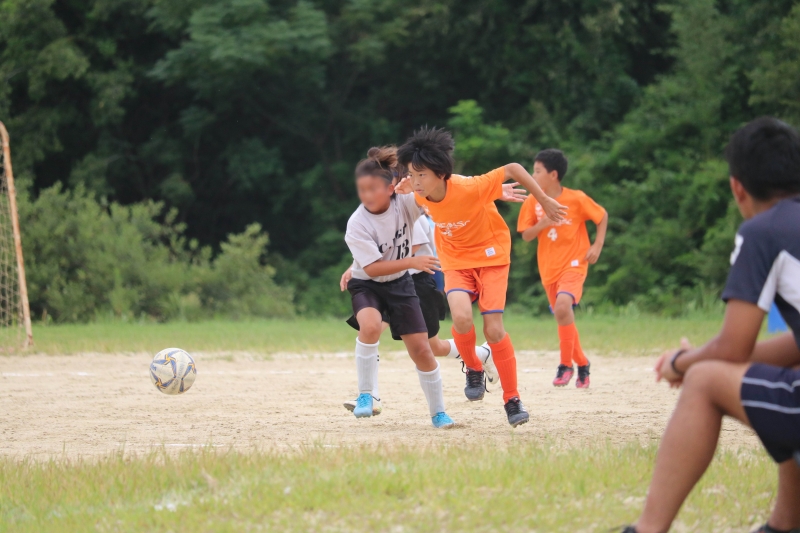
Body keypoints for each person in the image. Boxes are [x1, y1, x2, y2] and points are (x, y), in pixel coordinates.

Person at [623, 117, 800, 533]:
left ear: (738, 188)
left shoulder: (764, 231)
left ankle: (647, 529)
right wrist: (706, 355)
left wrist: (683, 362)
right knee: (786, 373)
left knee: (704, 381)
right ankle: (784, 525)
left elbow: (733, 348)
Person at [396, 126, 568, 427]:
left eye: (421, 174)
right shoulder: (417, 193)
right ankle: (474, 367)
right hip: (455, 260)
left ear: (441, 173)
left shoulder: (469, 187)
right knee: (461, 318)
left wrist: (541, 199)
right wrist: (404, 185)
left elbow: (513, 168)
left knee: (494, 330)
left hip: (491, 256)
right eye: (412, 174)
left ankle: (512, 399)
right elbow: (399, 193)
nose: (416, 181)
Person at [339, 175, 530, 414]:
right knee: (371, 328)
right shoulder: (379, 212)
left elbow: (412, 246)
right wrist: (358, 265)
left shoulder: (408, 205)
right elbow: (379, 250)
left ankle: (481, 354)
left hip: (414, 283)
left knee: (432, 347)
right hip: (388, 282)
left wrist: (490, 190)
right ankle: (370, 395)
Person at [343, 146, 455, 429]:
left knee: (422, 350)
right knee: (370, 326)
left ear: (390, 188)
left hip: (401, 285)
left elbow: (435, 195)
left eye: (373, 189)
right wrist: (412, 262)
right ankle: (366, 395)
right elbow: (372, 269)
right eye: (362, 190)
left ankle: (439, 413)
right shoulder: (357, 223)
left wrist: (415, 188)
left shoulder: (404, 202)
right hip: (367, 285)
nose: (366, 195)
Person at [516, 149, 607, 388]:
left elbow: (601, 216)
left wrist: (597, 245)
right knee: (562, 315)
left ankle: (565, 365)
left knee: (563, 307)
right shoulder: (533, 201)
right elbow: (526, 235)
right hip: (549, 269)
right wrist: (543, 223)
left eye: (537, 171)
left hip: (575, 264)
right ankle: (583, 363)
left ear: (553, 175)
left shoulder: (576, 198)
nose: (533, 176)